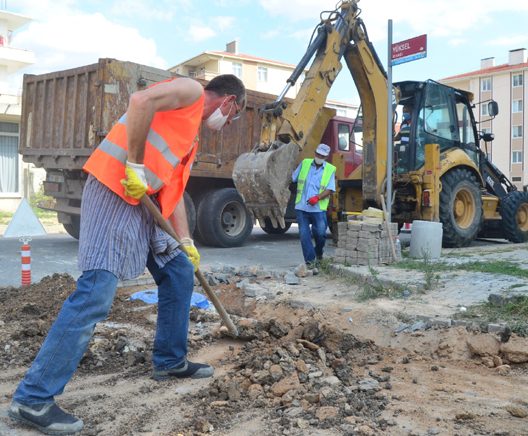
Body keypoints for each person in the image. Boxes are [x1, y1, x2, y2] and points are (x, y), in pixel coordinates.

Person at [9, 74, 246, 435]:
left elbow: (174, 191)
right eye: (234, 116)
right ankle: (33, 397)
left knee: (180, 270)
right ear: (230, 101)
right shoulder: (192, 91)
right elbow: (139, 102)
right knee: (97, 292)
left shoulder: (190, 134)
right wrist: (134, 166)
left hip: (145, 203)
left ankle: (170, 360)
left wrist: (187, 241)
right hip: (115, 189)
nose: (228, 124)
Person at [291, 143, 336, 269]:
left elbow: (330, 189)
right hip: (302, 206)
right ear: (315, 153)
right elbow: (293, 178)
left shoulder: (329, 169)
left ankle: (319, 251)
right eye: (318, 154)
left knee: (320, 233)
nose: (319, 157)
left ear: (326, 157)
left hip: (318, 208)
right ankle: (311, 262)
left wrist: (317, 197)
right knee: (304, 234)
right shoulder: (305, 163)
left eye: (322, 156)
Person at [394, 104, 411, 172]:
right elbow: (399, 136)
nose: (405, 113)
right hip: (403, 147)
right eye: (403, 112)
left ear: (411, 112)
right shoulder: (403, 123)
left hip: (413, 147)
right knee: (394, 150)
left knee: (406, 161)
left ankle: (406, 170)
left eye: (407, 111)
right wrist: (390, 139)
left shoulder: (418, 122)